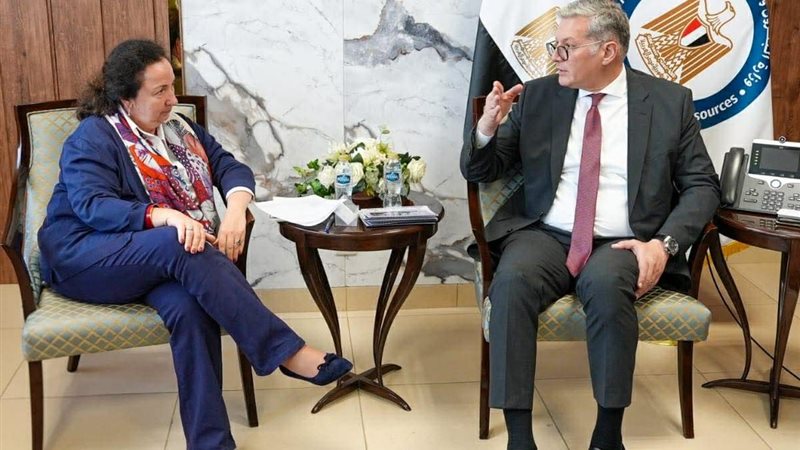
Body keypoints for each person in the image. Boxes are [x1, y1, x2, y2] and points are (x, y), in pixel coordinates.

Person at [37, 39, 352, 450]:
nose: (173, 99)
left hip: (148, 259)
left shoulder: (179, 128)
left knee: (189, 307)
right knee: (178, 241)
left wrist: (236, 209)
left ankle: (210, 443)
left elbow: (227, 165)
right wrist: (166, 215)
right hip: (84, 257)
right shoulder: (93, 137)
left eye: (172, 86)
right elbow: (93, 205)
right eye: (160, 91)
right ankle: (285, 352)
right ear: (126, 99)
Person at [460, 1, 720, 449]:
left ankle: (607, 434)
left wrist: (663, 245)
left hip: (624, 241)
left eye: (566, 47)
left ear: (607, 51)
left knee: (606, 285)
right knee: (513, 282)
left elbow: (703, 186)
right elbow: (482, 170)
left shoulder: (667, 102)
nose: (555, 57)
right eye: (554, 46)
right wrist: (486, 129)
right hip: (545, 233)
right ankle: (519, 436)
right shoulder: (538, 96)